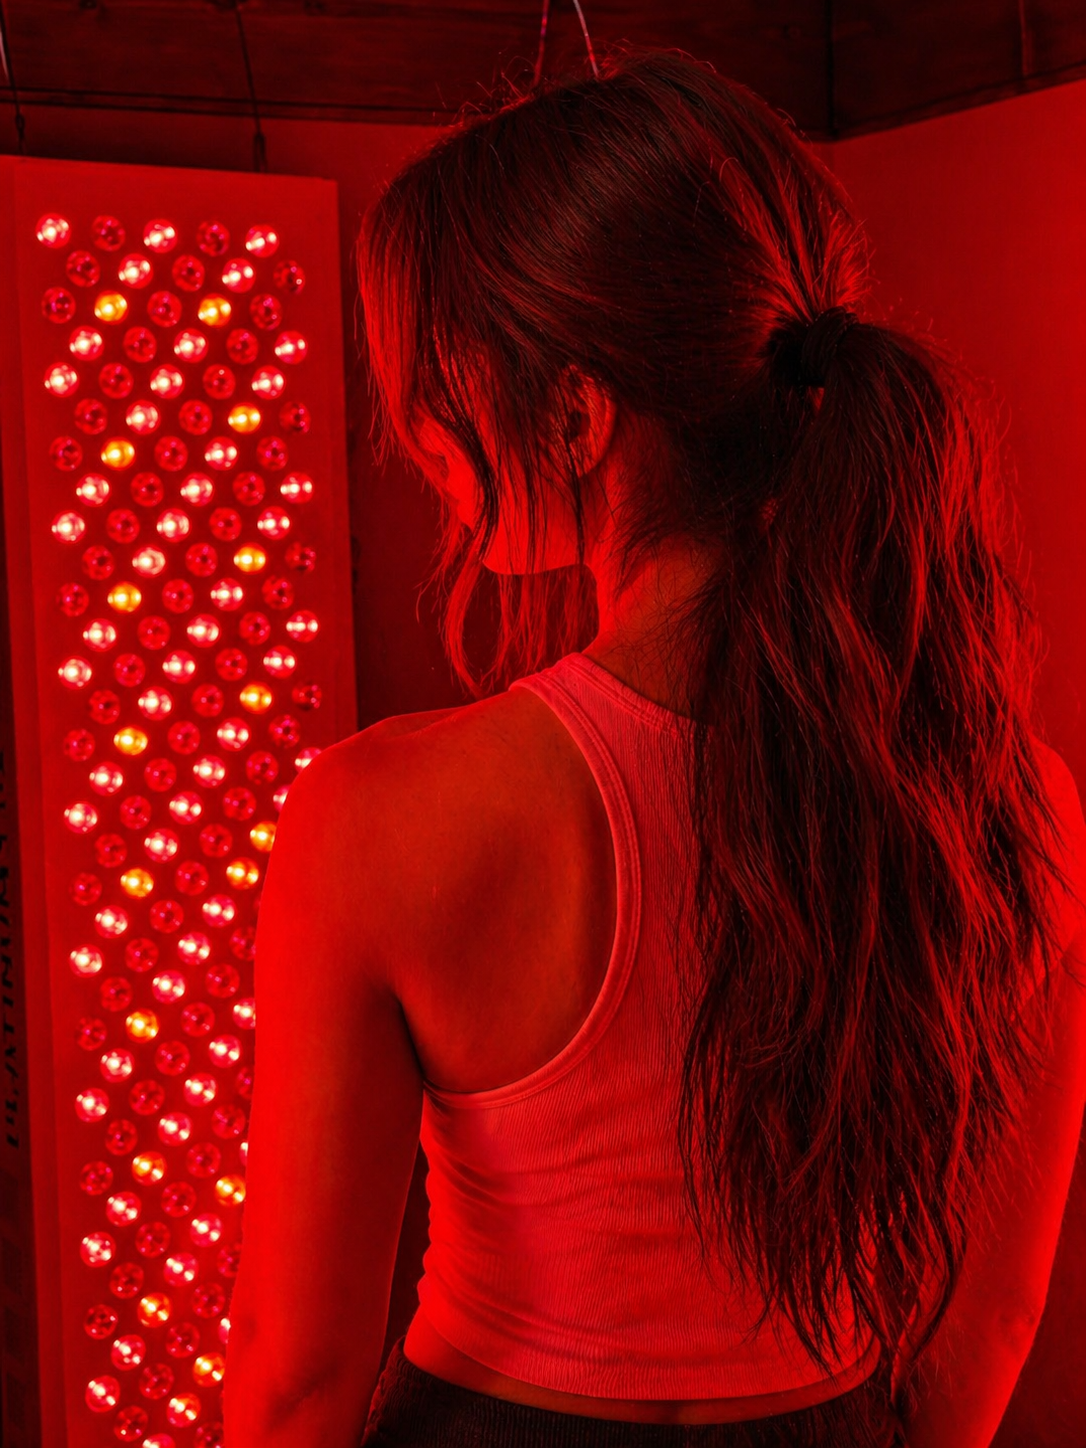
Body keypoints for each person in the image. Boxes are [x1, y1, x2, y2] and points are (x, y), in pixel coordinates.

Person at [221, 46, 1086, 1448]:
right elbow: (985, 1319)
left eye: (434, 385)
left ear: (571, 413)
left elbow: (295, 1377)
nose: (417, 440)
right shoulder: (1009, 797)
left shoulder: (381, 816)